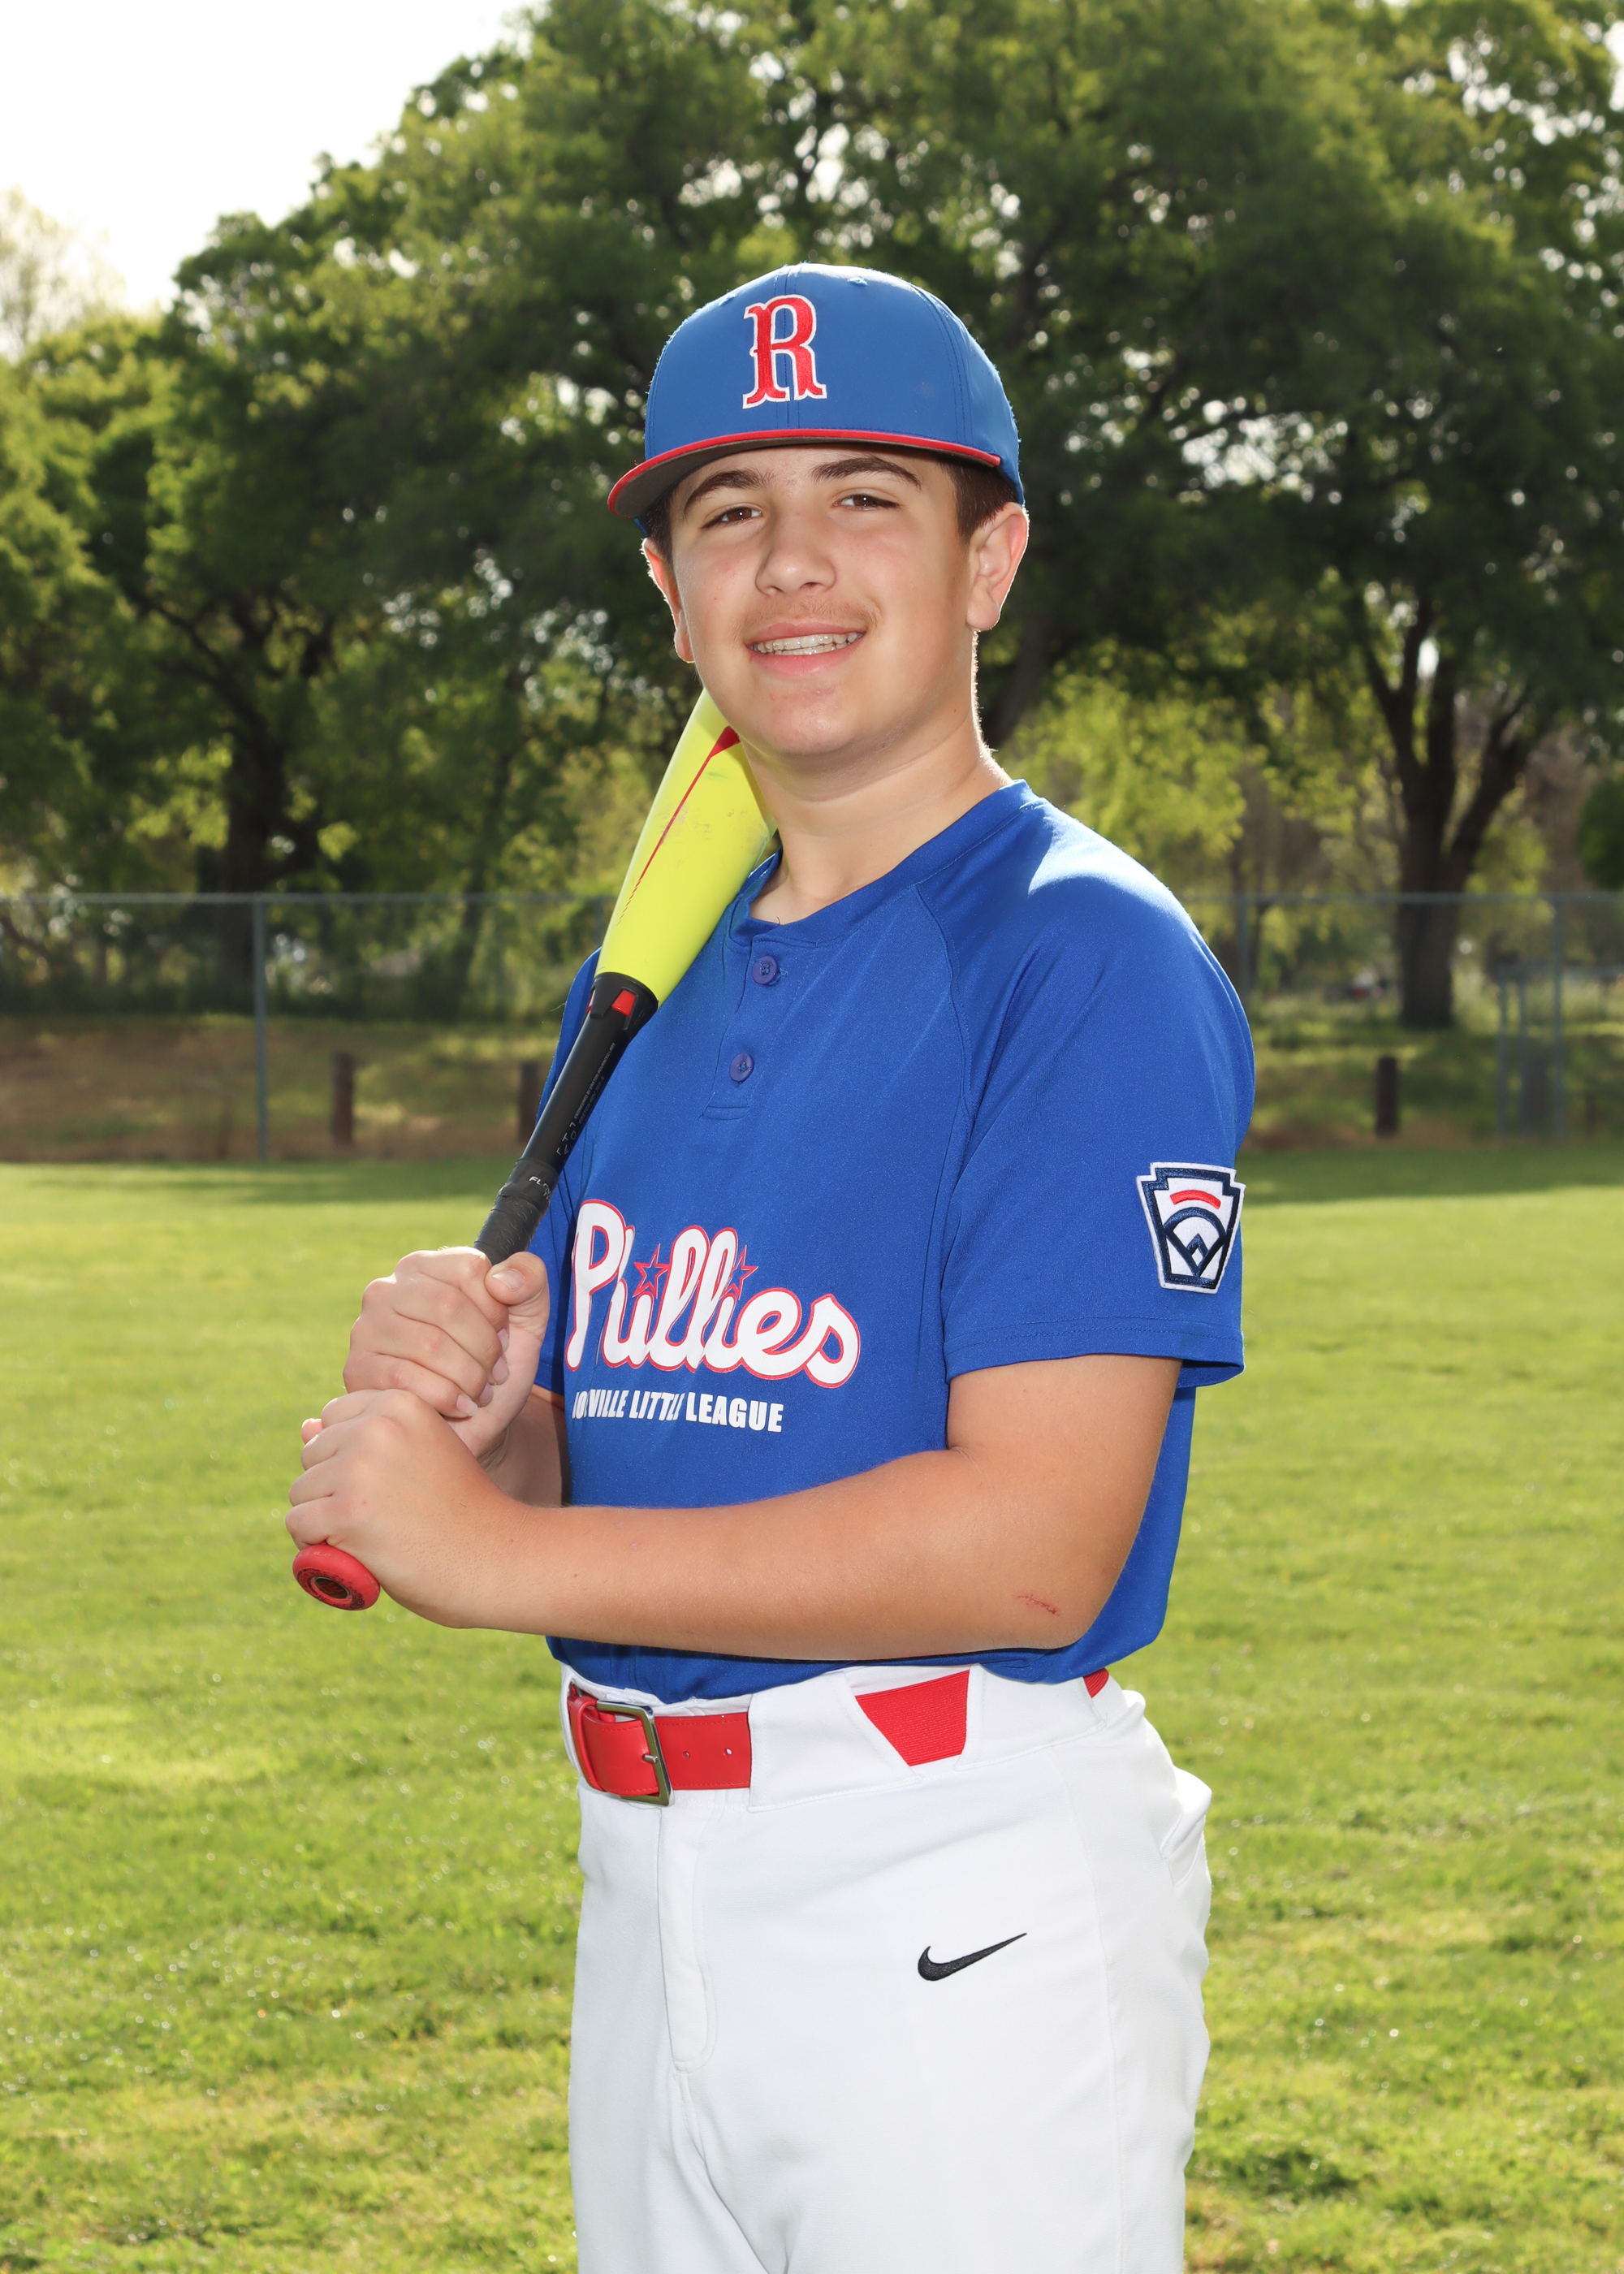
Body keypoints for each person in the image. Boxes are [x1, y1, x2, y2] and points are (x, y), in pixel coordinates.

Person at [288, 262, 1254, 2273]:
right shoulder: (642, 981)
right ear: (670, 591)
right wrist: (502, 1429)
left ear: (989, 561)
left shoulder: (1082, 952)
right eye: (728, 510)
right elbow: (649, 1446)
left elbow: (1033, 1544)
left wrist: (502, 1552)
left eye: (865, 498)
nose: (791, 560)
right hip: (647, 1880)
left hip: (949, 1885)